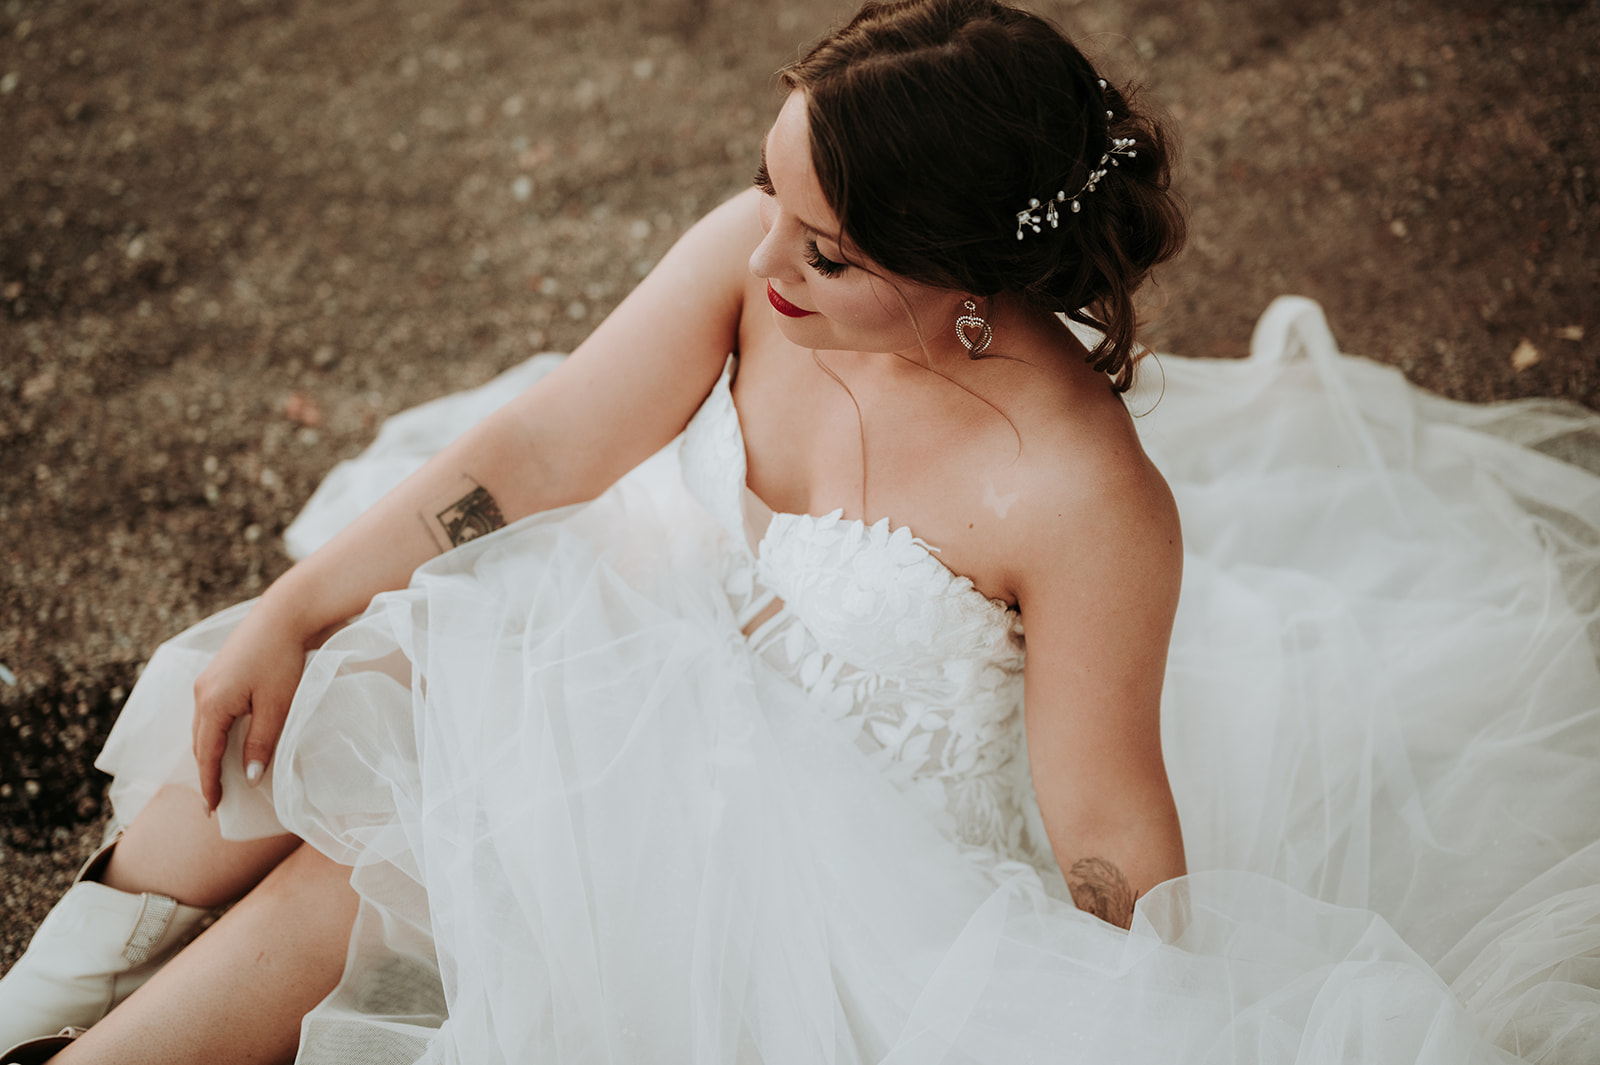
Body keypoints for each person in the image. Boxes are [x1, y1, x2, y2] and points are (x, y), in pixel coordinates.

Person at [2, 0, 1598, 1061]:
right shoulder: (754, 263)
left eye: (826, 253)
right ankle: (50, 995)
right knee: (373, 659)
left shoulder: (1082, 495)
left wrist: (1131, 1017)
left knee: (423, 833)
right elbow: (547, 446)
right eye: (769, 196)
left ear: (967, 285)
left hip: (830, 847)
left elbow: (1108, 835)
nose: (767, 262)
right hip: (637, 675)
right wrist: (289, 608)